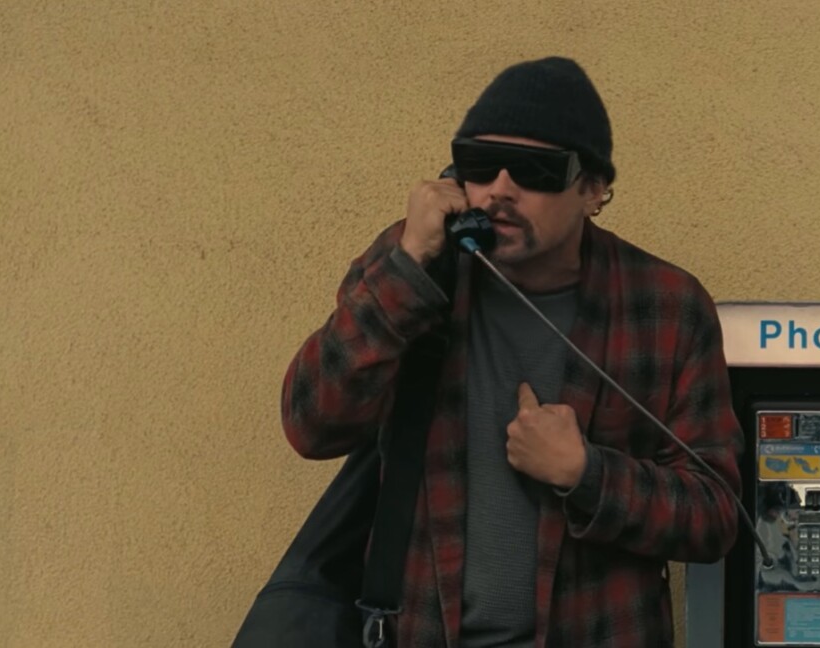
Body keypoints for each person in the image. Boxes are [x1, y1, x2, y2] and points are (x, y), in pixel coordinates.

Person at [280, 56, 743, 647]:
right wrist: (409, 269)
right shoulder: (414, 269)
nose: (499, 189)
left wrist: (586, 474)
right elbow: (309, 424)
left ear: (593, 190)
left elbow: (715, 515)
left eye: (533, 170)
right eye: (478, 165)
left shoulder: (666, 307)